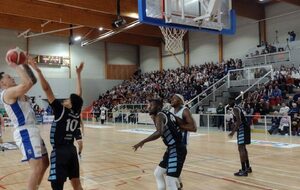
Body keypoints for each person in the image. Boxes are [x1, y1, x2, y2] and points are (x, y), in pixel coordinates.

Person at [29, 59, 84, 190]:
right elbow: (79, 96)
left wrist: (38, 71)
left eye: (68, 99)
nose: (66, 99)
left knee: (57, 186)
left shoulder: (61, 111)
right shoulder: (76, 113)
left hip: (60, 152)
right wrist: (78, 75)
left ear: (70, 103)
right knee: (76, 184)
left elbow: (47, 89)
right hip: (72, 151)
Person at [0, 59, 49, 190]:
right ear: (2, 83)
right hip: (25, 131)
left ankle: (35, 187)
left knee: (45, 163)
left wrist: (26, 64)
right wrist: (15, 65)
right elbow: (28, 82)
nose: (12, 77)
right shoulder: (7, 93)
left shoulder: (16, 91)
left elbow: (32, 80)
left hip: (33, 130)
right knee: (37, 167)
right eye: (9, 77)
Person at [133, 99, 189, 190]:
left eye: (151, 106)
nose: (149, 107)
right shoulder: (165, 114)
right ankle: (178, 185)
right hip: (172, 148)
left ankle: (177, 185)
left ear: (158, 107)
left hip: (176, 149)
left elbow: (159, 132)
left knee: (170, 181)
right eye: (148, 106)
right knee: (158, 173)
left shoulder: (160, 115)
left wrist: (142, 141)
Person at [169, 94, 197, 189]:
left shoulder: (185, 111)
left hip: (181, 143)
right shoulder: (171, 110)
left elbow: (193, 128)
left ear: (180, 101)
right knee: (172, 167)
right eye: (171, 98)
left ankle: (178, 185)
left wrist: (177, 126)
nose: (171, 99)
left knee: (172, 168)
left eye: (174, 98)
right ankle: (179, 184)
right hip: (172, 142)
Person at [228, 101, 252, 177]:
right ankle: (247, 167)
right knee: (243, 148)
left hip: (243, 129)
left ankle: (244, 170)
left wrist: (233, 131)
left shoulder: (235, 109)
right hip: (245, 128)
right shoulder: (238, 107)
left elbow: (239, 121)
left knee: (241, 148)